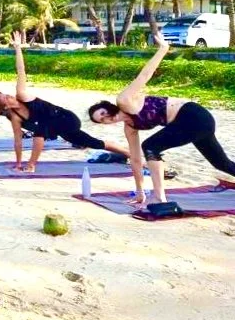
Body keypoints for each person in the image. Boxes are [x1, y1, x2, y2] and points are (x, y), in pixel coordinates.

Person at [88, 33, 235, 205]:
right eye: (102, 120)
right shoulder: (130, 128)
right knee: (221, 163)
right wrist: (140, 192)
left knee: (151, 146)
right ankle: (155, 195)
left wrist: (163, 49)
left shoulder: (124, 100)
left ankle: (159, 196)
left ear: (108, 106)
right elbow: (135, 160)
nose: (106, 119)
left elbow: (144, 76)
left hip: (194, 116)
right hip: (191, 125)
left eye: (103, 113)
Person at [0, 32, 129, 173]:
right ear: (5, 106)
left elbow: (21, 71)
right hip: (58, 129)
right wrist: (18, 162)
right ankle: (128, 153)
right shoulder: (15, 117)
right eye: (6, 98)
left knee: (40, 129)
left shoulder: (22, 95)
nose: (9, 96)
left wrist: (18, 48)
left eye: (7, 94)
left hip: (67, 119)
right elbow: (18, 141)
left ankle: (31, 165)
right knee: (93, 143)